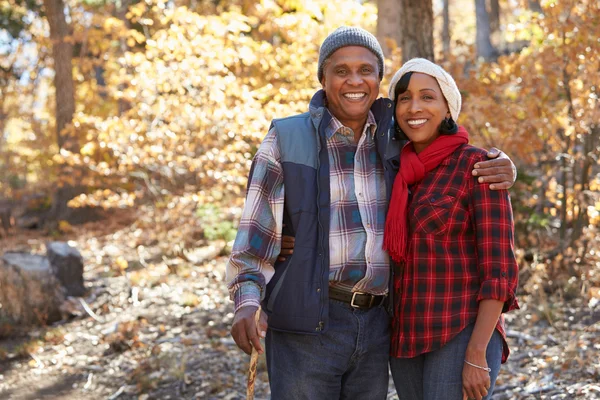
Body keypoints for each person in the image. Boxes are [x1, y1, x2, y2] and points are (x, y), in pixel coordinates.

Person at [226, 27, 516, 400]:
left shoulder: (395, 142)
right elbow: (254, 239)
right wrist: (246, 303)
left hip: (378, 324)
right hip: (308, 325)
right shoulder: (287, 139)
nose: (354, 81)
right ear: (323, 78)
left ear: (379, 81)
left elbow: (447, 150)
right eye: (341, 70)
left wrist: (504, 165)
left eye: (366, 70)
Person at [384, 58, 520, 400]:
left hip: (460, 330)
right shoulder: (394, 172)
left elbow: (499, 270)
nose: (414, 107)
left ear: (448, 108)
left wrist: (476, 354)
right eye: (404, 98)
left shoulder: (478, 166)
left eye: (427, 97)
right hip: (406, 335)